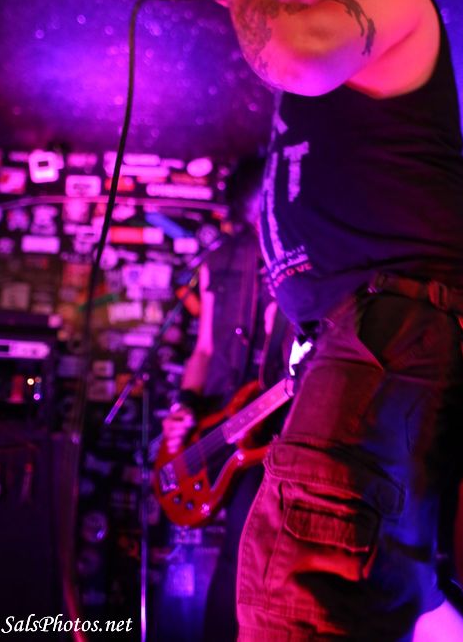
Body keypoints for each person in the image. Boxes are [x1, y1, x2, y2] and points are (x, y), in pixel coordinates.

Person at [212, 0, 463, 641]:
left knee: (299, 598)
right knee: (385, 589)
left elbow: (296, 54)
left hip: (399, 319)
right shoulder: (328, 72)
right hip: (373, 330)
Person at [162, 157, 292, 642]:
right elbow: (204, 349)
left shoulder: (301, 264)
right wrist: (184, 406)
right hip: (218, 424)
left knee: (249, 549)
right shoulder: (218, 262)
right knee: (234, 555)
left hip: (271, 426)